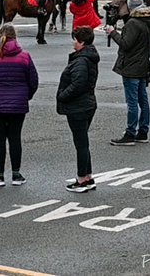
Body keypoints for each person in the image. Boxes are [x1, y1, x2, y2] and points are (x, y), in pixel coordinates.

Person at [0, 23, 38, 187]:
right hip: (18, 103)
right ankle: (16, 174)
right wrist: (25, 97)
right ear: (15, 37)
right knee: (15, 138)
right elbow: (33, 81)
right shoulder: (25, 57)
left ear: (0, 37)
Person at [108, 0, 150, 145]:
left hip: (131, 66)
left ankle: (130, 133)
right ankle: (143, 131)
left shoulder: (133, 23)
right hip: (143, 65)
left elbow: (125, 44)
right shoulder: (148, 20)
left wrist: (113, 32)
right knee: (143, 100)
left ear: (130, 6)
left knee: (132, 102)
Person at [59, 27, 100, 192]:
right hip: (87, 104)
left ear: (81, 42)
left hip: (79, 106)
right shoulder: (88, 57)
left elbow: (78, 84)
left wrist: (63, 95)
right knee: (83, 142)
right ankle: (88, 177)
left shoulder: (81, 60)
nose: (73, 42)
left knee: (81, 144)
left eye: (75, 39)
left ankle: (82, 178)